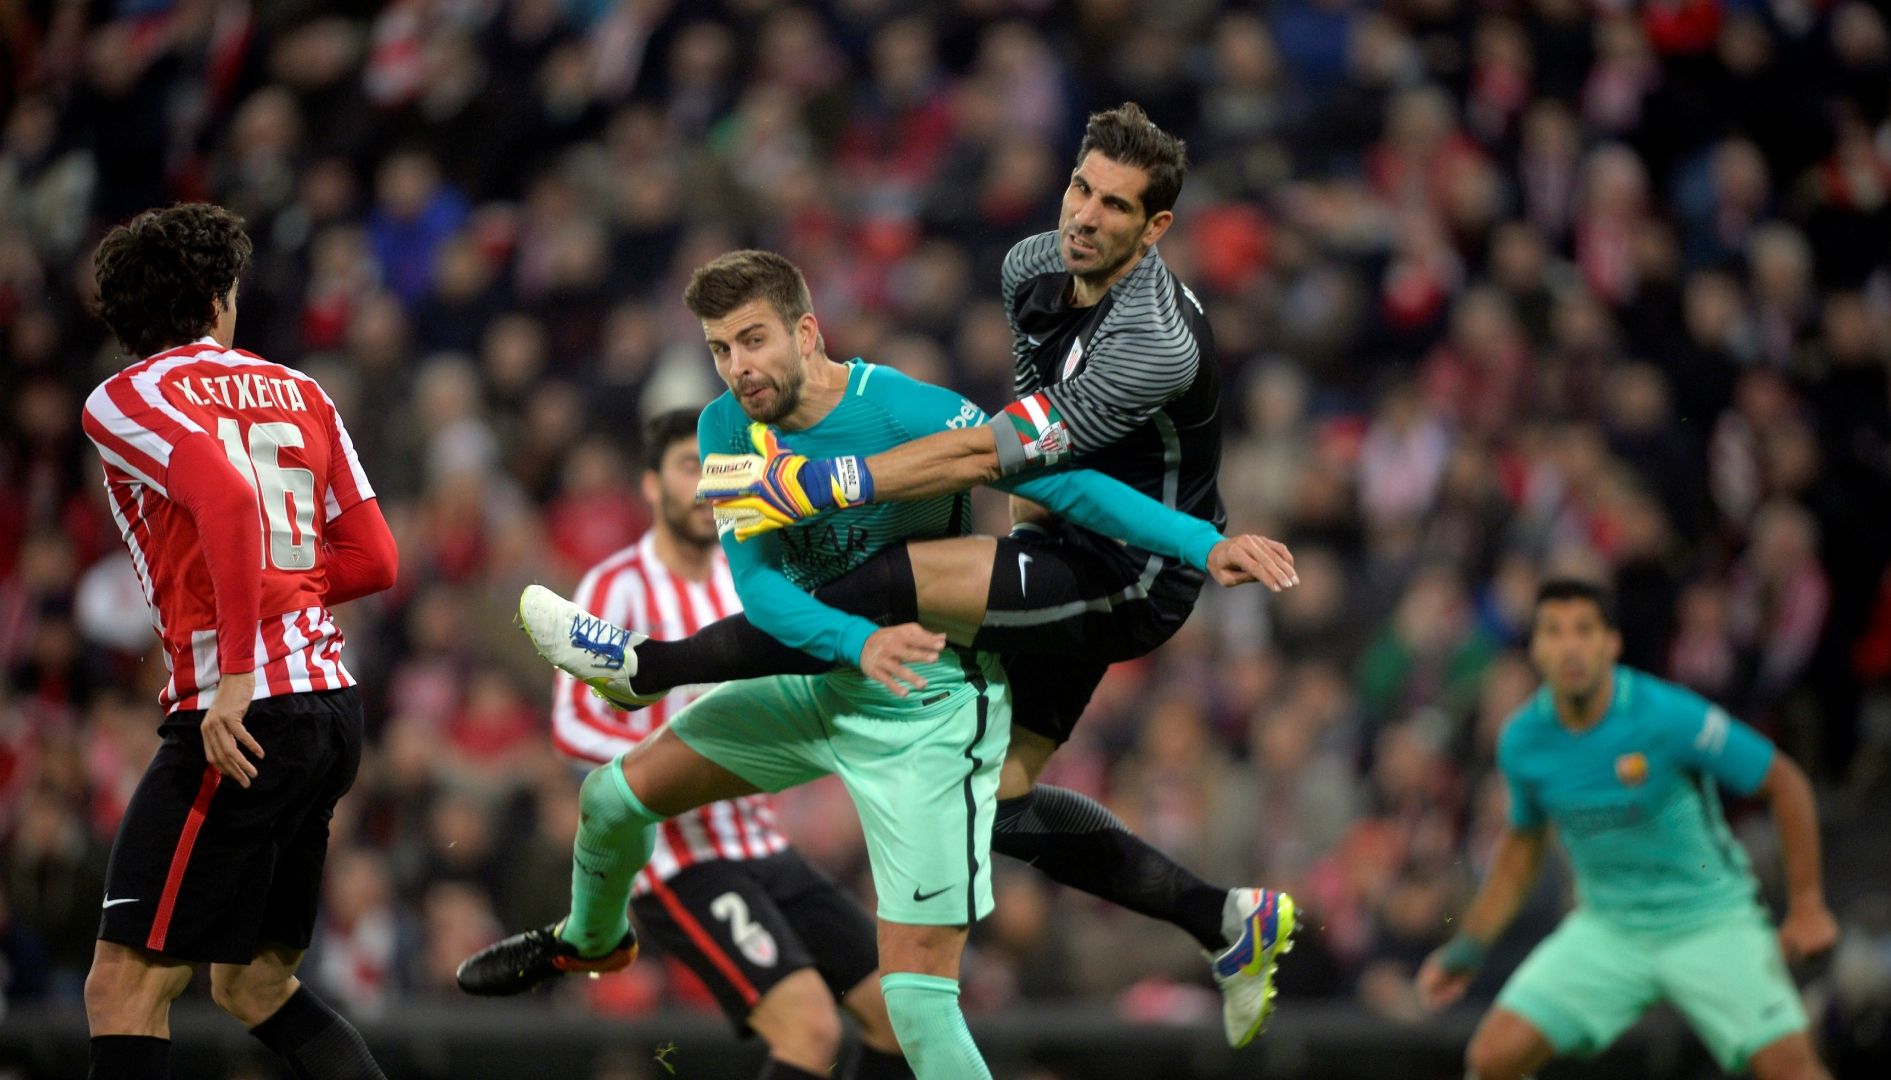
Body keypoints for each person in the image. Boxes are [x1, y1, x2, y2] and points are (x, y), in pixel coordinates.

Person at [457, 249, 1289, 1078]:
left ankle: (643, 669)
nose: (738, 368)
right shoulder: (723, 430)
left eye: (753, 340)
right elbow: (765, 598)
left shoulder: (898, 409)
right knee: (609, 797)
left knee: (918, 1009)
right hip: (825, 675)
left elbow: (1059, 482)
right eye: (720, 349)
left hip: (925, 704)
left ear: (807, 331)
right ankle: (593, 941)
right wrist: (855, 644)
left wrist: (1203, 542)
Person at [79, 203, 396, 1080]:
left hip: (242, 716)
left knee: (122, 989)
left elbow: (225, 500)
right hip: (330, 708)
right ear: (218, 298)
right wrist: (287, 596)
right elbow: (374, 559)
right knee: (252, 985)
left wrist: (237, 675)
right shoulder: (303, 389)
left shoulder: (126, 395)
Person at [536, 407, 912, 1080]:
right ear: (651, 486)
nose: (707, 488)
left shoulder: (751, 581)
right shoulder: (613, 588)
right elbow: (569, 725)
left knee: (898, 1015)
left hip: (763, 841)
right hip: (681, 859)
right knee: (810, 1030)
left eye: (716, 473)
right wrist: (675, 757)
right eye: (689, 470)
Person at [1414, 580, 1838, 1080]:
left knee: (1790, 1067)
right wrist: (1470, 946)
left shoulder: (1667, 715)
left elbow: (1785, 783)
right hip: (1609, 928)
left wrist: (1807, 905)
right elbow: (1521, 847)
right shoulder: (1523, 741)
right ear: (1535, 649)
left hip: (1709, 920)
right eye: (1553, 632)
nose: (1570, 645)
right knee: (1492, 1059)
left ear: (1611, 643)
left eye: (1583, 631)